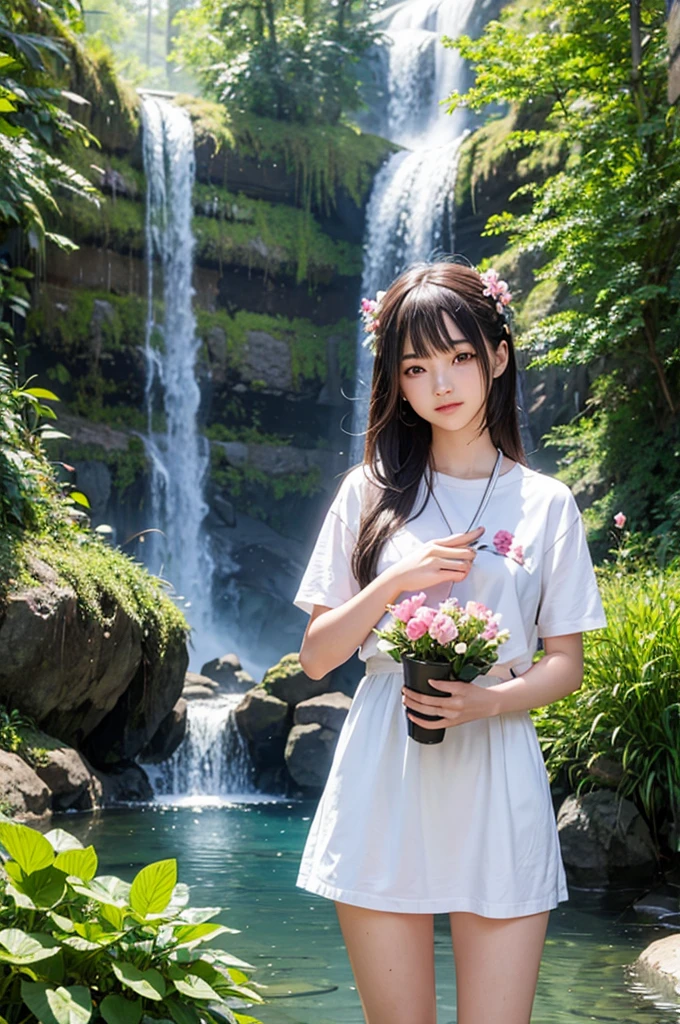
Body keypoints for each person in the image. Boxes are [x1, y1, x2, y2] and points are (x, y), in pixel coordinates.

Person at [292, 259, 608, 1024]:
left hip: (497, 773)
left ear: (498, 357)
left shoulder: (546, 504)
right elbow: (317, 655)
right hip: (385, 774)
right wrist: (396, 581)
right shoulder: (369, 493)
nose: (443, 383)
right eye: (417, 366)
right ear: (396, 383)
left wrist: (486, 701)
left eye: (461, 356)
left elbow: (566, 661)